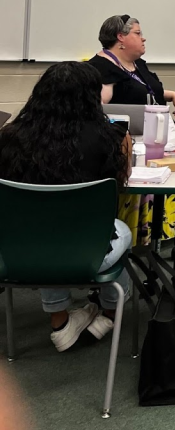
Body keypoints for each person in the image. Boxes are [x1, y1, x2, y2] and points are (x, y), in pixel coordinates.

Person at [0, 62, 133, 352]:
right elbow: (122, 184)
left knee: (43, 225)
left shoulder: (8, 138)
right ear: (91, 96)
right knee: (122, 232)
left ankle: (60, 321)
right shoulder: (112, 139)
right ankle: (109, 314)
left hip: (17, 251)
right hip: (90, 253)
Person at [87, 14, 175, 249]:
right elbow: (100, 104)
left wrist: (172, 94)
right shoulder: (102, 68)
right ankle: (139, 233)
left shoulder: (137, 64)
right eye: (137, 33)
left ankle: (162, 229)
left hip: (157, 134)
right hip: (128, 141)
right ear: (120, 38)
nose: (143, 38)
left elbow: (147, 91)